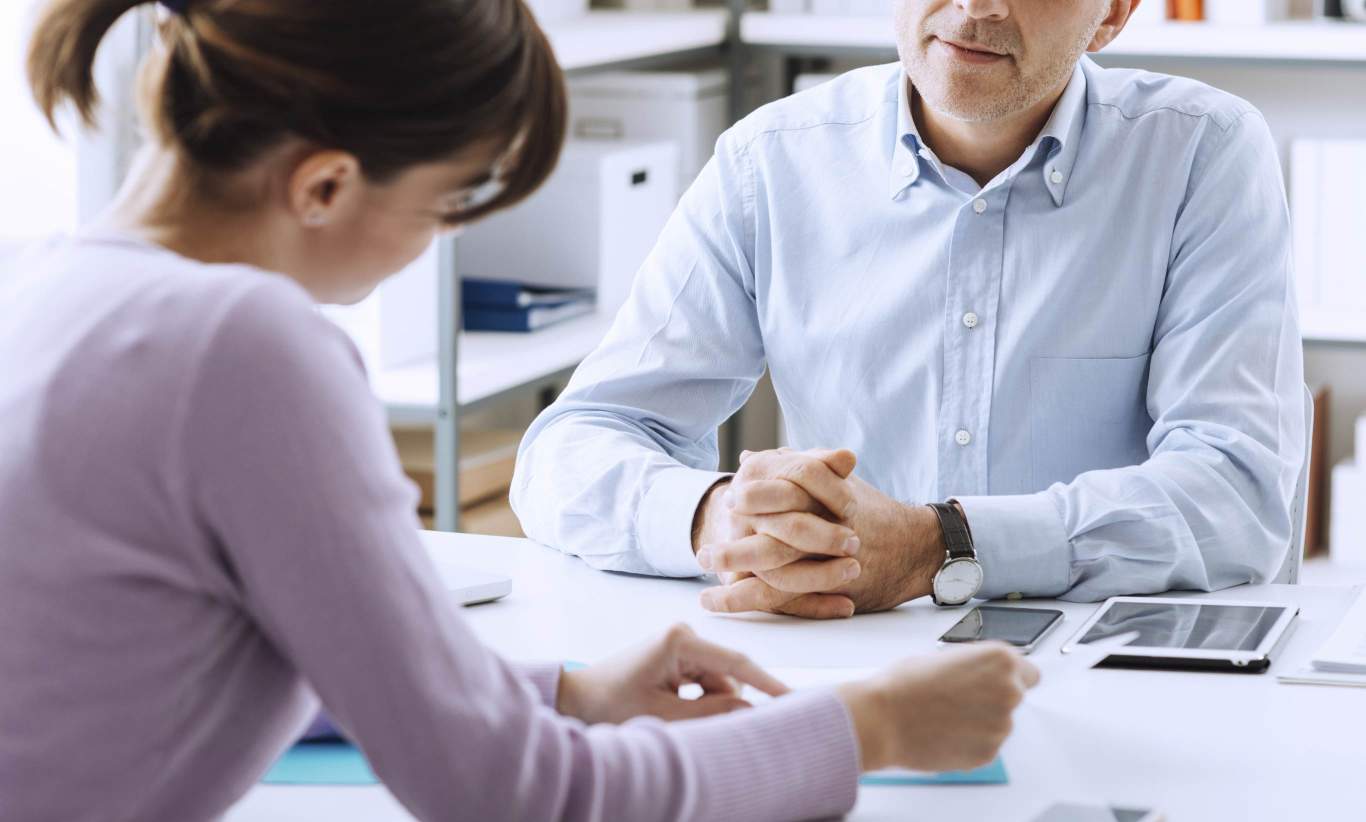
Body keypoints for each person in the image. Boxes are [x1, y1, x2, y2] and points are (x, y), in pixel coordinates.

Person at [0, 0, 1041, 820]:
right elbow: (522, 798)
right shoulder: (247, 348)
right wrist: (870, 728)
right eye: (448, 204)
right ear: (323, 186)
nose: (435, 242)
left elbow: (146, 671)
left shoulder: (38, 281)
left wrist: (559, 696)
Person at [512, 0, 1306, 619]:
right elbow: (573, 446)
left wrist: (938, 547)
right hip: (840, 654)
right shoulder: (771, 161)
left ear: (1114, 14)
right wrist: (717, 519)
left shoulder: (1203, 155)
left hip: (1101, 663)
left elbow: (1235, 493)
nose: (977, 8)